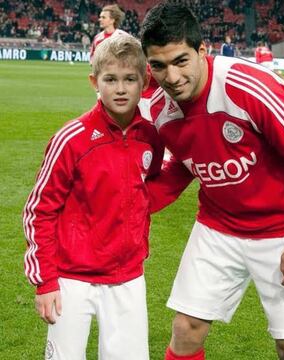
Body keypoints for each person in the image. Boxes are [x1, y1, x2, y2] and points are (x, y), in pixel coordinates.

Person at [140, 2, 284, 360]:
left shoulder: (247, 87)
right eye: (158, 66)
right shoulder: (157, 108)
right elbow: (185, 164)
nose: (170, 77)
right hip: (218, 228)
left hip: (282, 230)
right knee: (185, 330)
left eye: (180, 60)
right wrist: (133, 203)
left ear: (202, 51)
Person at [23, 33, 164, 360]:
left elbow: (151, 184)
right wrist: (46, 282)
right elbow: (39, 212)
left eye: (130, 79)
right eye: (110, 79)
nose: (120, 88)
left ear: (144, 82)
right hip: (73, 278)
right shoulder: (72, 139)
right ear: (94, 81)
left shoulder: (150, 139)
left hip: (129, 276)